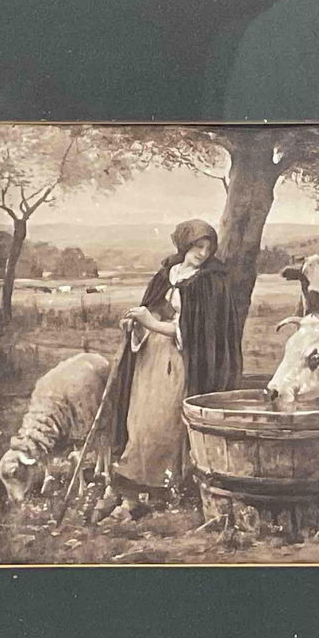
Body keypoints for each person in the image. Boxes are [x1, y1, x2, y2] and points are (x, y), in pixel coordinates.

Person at [93, 219, 240, 523]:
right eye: (197, 246)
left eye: (208, 248)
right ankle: (126, 490)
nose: (203, 253)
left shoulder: (210, 281)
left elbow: (196, 332)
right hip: (148, 359)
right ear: (184, 244)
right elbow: (150, 309)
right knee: (137, 422)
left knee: (160, 426)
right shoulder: (166, 274)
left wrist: (150, 322)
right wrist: (134, 323)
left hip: (179, 361)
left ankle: (145, 493)